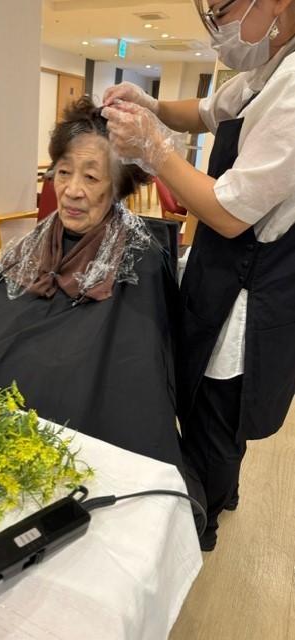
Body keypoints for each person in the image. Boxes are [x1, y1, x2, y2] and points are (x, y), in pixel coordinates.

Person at [101, 0, 295, 551]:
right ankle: (221, 493)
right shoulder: (273, 65)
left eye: (222, 10)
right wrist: (150, 104)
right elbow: (206, 111)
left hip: (252, 284)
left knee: (216, 418)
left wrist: (156, 150)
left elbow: (230, 214)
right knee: (207, 410)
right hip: (220, 267)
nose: (217, 30)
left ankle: (199, 525)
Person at [0, 96, 192, 484]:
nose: (72, 190)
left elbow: (133, 370)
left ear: (118, 187)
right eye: (63, 172)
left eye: (91, 178)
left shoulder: (140, 258)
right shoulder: (39, 239)